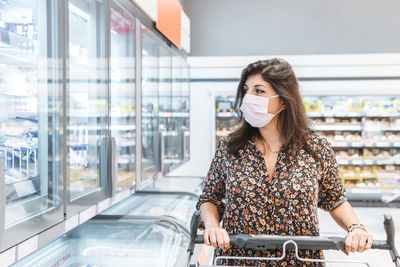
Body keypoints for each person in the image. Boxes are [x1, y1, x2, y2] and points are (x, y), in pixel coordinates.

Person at [196, 58, 373, 266]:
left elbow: (335, 200)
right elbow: (210, 198)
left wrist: (356, 228)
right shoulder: (230, 147)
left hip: (298, 260)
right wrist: (213, 225)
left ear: (284, 100)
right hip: (238, 259)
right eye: (246, 90)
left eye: (259, 91)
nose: (248, 98)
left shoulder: (316, 148)